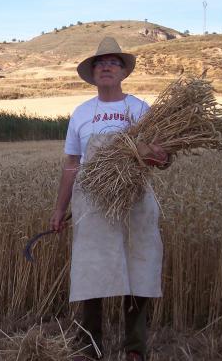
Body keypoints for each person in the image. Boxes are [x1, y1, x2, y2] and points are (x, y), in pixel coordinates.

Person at [50, 37, 169, 361]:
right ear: (92, 73)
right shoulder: (81, 114)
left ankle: (135, 348)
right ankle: (90, 347)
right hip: (91, 204)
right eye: (100, 63)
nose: (106, 67)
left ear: (123, 72)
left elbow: (161, 156)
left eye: (113, 62)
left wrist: (159, 155)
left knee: (139, 268)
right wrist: (59, 209)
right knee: (92, 271)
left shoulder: (140, 109)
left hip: (134, 200)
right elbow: (72, 164)